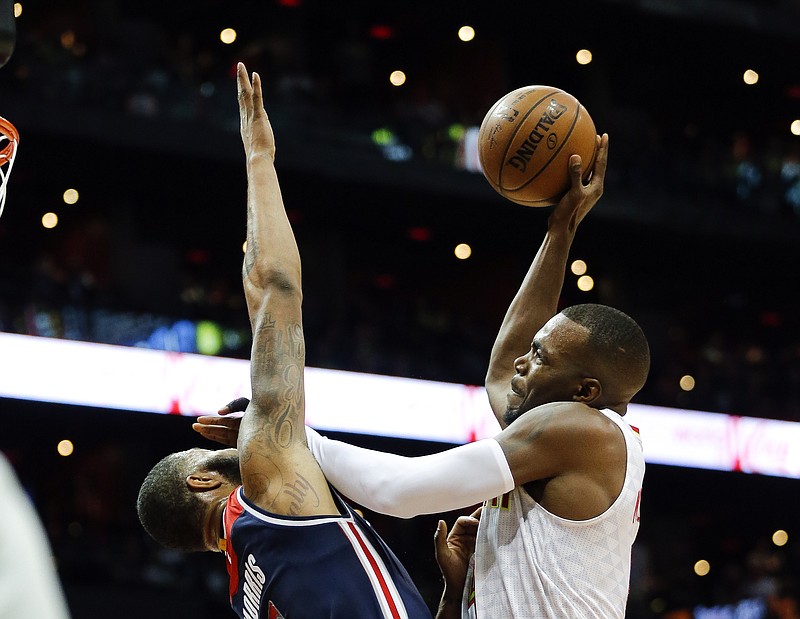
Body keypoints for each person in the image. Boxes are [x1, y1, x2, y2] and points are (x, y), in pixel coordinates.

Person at [197, 133, 650, 619]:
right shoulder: (563, 431)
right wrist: (560, 231)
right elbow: (504, 367)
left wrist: (290, 438)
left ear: (586, 392)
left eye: (540, 357)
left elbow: (402, 491)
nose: (523, 362)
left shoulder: (581, 431)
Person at [136, 63, 432, 619]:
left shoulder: (245, 594)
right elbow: (275, 289)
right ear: (202, 478)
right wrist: (258, 157)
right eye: (204, 454)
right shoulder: (263, 484)